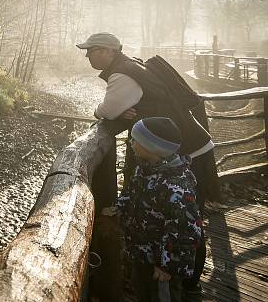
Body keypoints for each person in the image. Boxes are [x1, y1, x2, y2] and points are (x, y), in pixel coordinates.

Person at [77, 32, 216, 295]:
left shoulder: (121, 73)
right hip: (189, 145)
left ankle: (186, 283)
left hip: (187, 150)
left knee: (186, 216)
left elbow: (107, 110)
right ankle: (177, 277)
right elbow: (125, 104)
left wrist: (104, 111)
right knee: (182, 212)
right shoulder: (131, 64)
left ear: (107, 51)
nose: (87, 55)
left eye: (91, 50)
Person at [108, 117, 203, 302]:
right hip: (142, 254)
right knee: (141, 291)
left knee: (162, 297)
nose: (131, 142)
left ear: (152, 148)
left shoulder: (175, 187)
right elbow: (131, 194)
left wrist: (168, 266)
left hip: (162, 265)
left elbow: (185, 231)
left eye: (135, 140)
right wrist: (119, 207)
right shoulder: (144, 169)